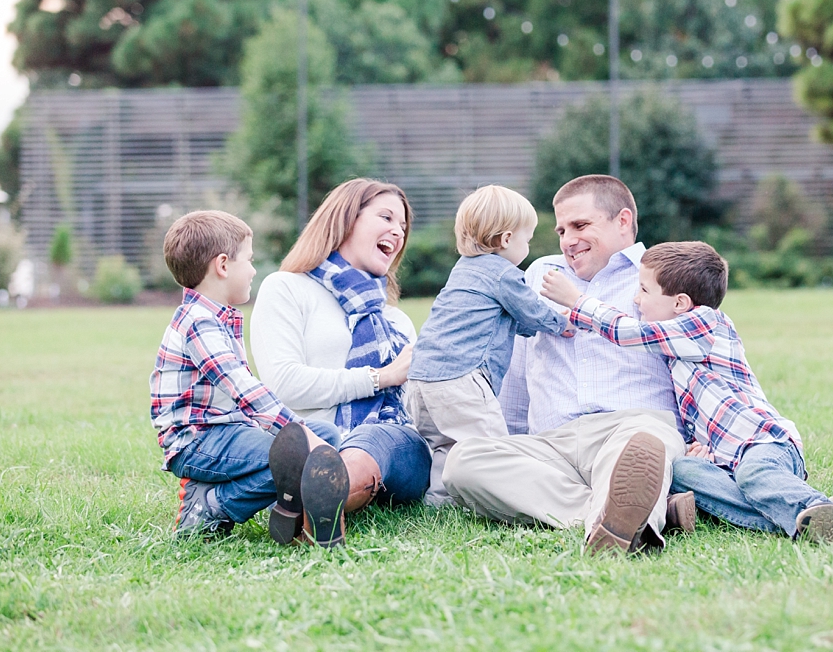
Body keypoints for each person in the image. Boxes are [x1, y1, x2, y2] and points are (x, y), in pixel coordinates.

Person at [540, 240, 833, 543]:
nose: (636, 298)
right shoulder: (676, 340)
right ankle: (801, 521)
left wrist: (578, 301)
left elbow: (631, 332)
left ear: (681, 303)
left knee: (756, 475)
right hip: (723, 460)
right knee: (680, 472)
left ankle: (817, 507)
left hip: (763, 444)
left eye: (643, 290)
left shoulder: (705, 323)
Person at [442, 175, 693, 555]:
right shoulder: (539, 274)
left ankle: (622, 513)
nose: (567, 239)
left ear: (622, 221)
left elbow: (703, 358)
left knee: (635, 449)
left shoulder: (660, 274)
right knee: (464, 462)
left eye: (580, 225)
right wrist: (508, 442)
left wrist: (704, 437)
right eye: (561, 229)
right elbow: (517, 363)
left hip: (632, 426)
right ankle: (615, 516)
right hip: (553, 444)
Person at [250, 178, 432, 546]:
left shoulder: (394, 320)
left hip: (398, 448)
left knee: (375, 436)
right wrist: (378, 378)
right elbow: (283, 384)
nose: (398, 232)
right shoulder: (287, 289)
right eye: (386, 217)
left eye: (403, 226)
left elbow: (419, 404)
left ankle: (314, 495)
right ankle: (318, 493)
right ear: (347, 219)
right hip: (319, 438)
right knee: (328, 445)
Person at [150, 210, 344, 540]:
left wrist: (305, 434)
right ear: (223, 265)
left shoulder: (219, 318)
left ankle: (290, 507)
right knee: (299, 454)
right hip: (196, 440)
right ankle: (212, 505)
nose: (254, 270)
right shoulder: (199, 322)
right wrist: (296, 433)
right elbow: (243, 389)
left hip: (228, 430)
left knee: (327, 435)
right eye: (250, 260)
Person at [406, 185, 571, 506]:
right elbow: (532, 311)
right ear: (507, 239)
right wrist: (562, 322)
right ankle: (515, 504)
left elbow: (508, 322)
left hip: (421, 381)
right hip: (461, 382)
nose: (528, 245)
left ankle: (441, 504)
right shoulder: (504, 274)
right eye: (528, 238)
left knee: (447, 448)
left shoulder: (463, 271)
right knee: (493, 452)